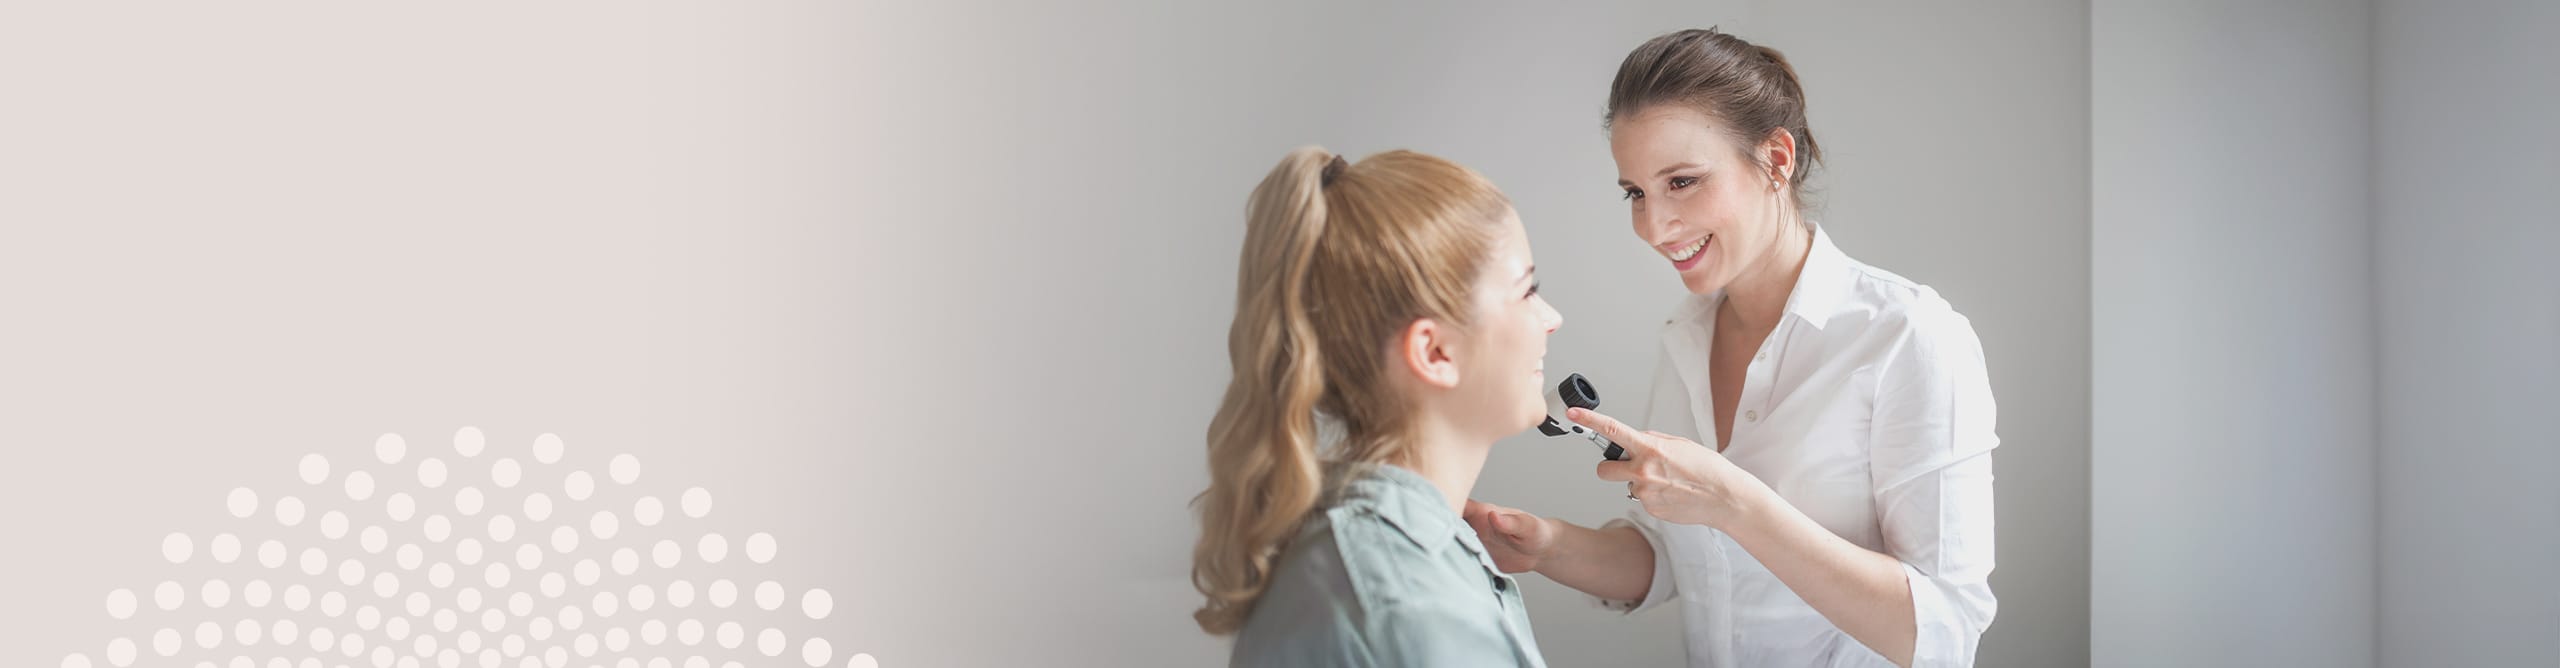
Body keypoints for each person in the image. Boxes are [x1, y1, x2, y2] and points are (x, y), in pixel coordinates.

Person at [1462, 29, 2000, 667]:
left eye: (1682, 182)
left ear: (1776, 160)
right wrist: (1546, 547)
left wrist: (1738, 505)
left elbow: (1944, 631)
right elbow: (1676, 558)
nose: (1654, 226)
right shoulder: (1686, 336)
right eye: (1635, 192)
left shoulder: (1908, 337)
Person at [1191, 146, 1564, 667]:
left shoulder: (1364, 550)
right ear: (1435, 353)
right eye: (1529, 291)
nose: (1552, 318)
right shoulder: (1410, 603)